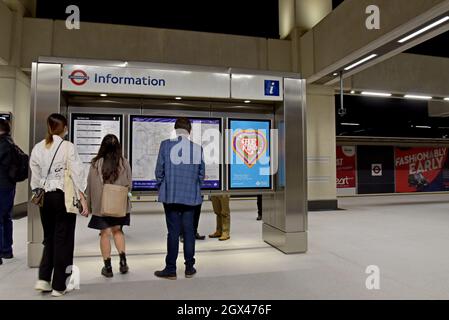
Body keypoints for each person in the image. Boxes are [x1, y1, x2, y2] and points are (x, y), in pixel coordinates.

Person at [30, 113, 88, 297]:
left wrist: (37, 189)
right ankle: (59, 285)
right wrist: (82, 197)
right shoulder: (67, 147)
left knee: (49, 239)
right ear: (64, 128)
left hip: (44, 198)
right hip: (62, 197)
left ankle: (43, 279)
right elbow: (77, 172)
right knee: (63, 240)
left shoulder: (39, 147)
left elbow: (35, 174)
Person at [154, 117, 204, 280]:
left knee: (173, 233)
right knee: (189, 232)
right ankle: (189, 268)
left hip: (171, 196)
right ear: (189, 131)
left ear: (175, 130)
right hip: (191, 197)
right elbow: (201, 175)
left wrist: (164, 185)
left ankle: (171, 269)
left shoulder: (165, 145)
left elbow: (159, 171)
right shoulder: (197, 149)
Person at [86, 134, 131, 278]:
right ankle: (123, 262)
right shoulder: (124, 162)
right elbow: (129, 185)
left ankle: (108, 267)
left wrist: (89, 206)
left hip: (101, 206)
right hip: (119, 204)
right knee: (118, 231)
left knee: (105, 234)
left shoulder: (95, 163)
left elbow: (90, 186)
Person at [0, 119, 16, 265]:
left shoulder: (2, 145)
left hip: (1, 185)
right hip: (9, 186)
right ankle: (6, 250)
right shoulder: (11, 143)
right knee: (6, 217)